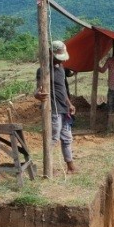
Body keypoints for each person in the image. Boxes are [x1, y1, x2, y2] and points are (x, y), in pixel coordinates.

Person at [34, 40, 77, 173]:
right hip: (53, 109)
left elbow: (62, 89)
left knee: (67, 138)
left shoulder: (61, 68)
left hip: (64, 108)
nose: (61, 61)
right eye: (58, 58)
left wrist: (70, 104)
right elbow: (38, 89)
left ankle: (70, 166)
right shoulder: (44, 70)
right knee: (53, 138)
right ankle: (48, 168)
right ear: (50, 53)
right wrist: (37, 95)